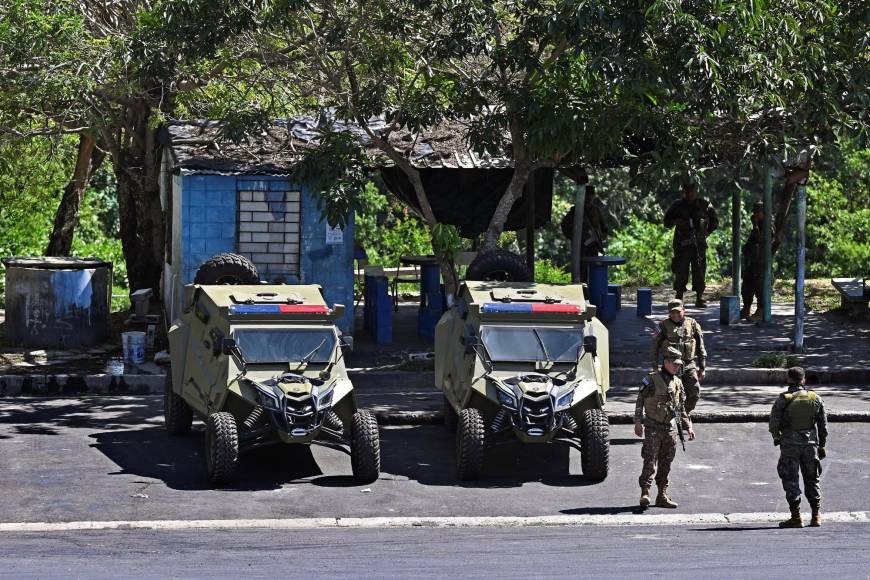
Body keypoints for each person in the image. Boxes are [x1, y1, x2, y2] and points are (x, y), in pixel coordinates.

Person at [635, 346, 695, 508]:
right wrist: (638, 421)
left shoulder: (678, 382)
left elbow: (681, 407)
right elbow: (640, 400)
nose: (677, 367)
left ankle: (662, 495)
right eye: (674, 364)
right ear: (666, 362)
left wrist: (688, 425)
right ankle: (645, 492)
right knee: (649, 461)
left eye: (678, 364)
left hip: (670, 429)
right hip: (653, 426)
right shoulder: (651, 379)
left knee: (666, 463)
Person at [769, 366, 828, 528]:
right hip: (810, 445)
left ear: (788, 379)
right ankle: (816, 516)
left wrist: (777, 437)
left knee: (790, 479)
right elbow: (823, 426)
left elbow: (774, 423)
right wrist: (821, 445)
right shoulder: (815, 398)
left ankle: (796, 517)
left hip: (789, 445)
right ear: (804, 380)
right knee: (812, 478)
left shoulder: (784, 398)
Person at [663, 183, 719, 307]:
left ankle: (699, 297)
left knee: (699, 270)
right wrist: (676, 221)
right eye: (687, 191)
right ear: (684, 192)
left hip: (698, 245)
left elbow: (715, 222)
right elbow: (666, 222)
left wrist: (705, 232)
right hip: (682, 244)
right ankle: (679, 296)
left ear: (696, 192)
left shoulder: (704, 205)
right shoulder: (677, 205)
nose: (689, 194)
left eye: (691, 191)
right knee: (680, 270)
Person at [650, 299, 706, 413]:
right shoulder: (663, 326)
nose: (675, 315)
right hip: (670, 365)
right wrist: (655, 367)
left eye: (678, 312)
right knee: (669, 394)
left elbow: (700, 347)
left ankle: (685, 413)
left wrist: (702, 367)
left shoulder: (692, 323)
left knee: (694, 393)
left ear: (684, 310)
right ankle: (670, 417)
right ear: (669, 312)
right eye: (672, 312)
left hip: (688, 364)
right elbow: (655, 348)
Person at [560, 185, 610, 280]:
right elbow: (564, 225)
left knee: (592, 271)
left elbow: (605, 228)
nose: (588, 198)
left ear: (593, 196)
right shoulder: (576, 210)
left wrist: (600, 237)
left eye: (590, 196)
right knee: (579, 270)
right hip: (580, 247)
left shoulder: (596, 210)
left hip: (593, 247)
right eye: (586, 196)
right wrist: (575, 237)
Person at [741, 201, 770, 319]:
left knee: (760, 288)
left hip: (762, 262)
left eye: (758, 212)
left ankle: (761, 310)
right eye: (755, 212)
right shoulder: (757, 226)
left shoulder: (768, 226)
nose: (756, 215)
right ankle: (746, 308)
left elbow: (760, 239)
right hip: (753, 261)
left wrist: (755, 225)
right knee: (747, 286)